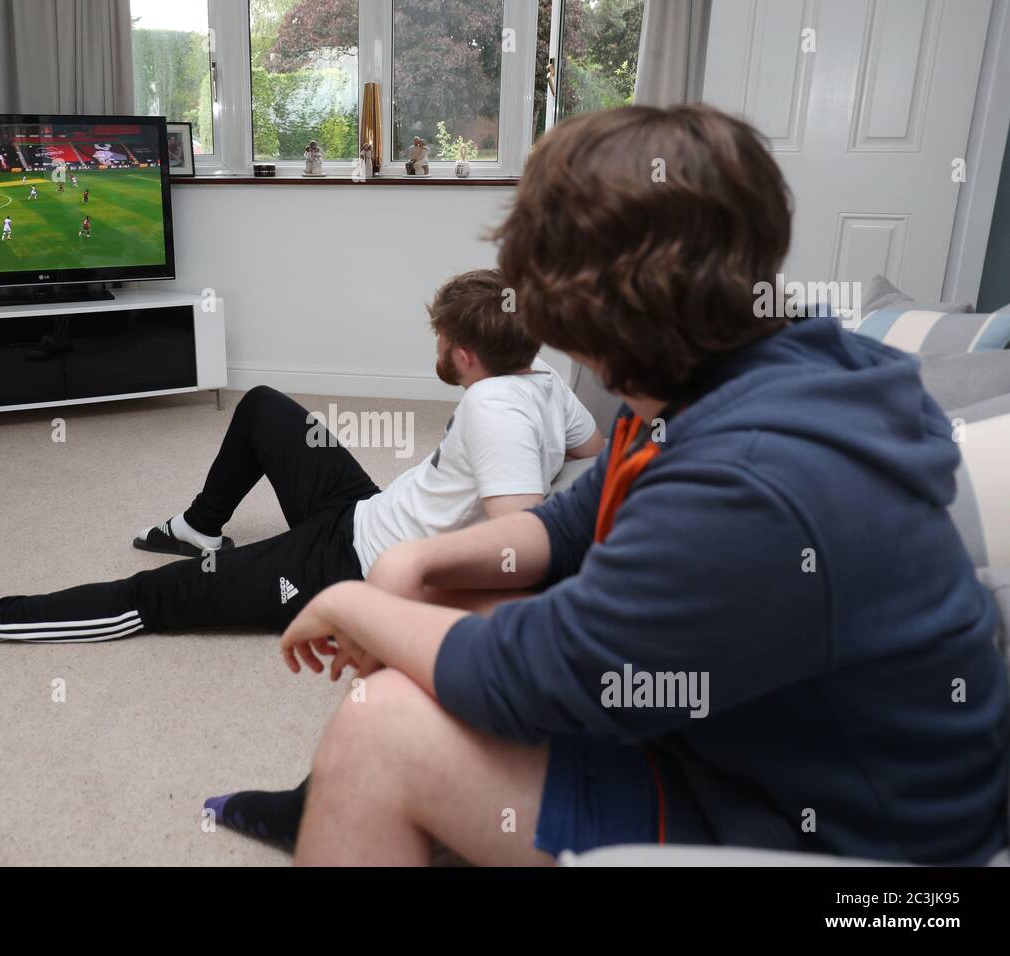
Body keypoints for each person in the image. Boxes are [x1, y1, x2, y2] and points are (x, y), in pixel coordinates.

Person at [266, 105, 1009, 866]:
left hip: (852, 847)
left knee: (376, 732)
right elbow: (564, 530)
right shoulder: (718, 368)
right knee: (431, 610)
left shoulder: (752, 482)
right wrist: (415, 566)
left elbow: (525, 678)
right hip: (746, 752)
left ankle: (367, 800)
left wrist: (348, 597)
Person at [0, 269, 603, 646]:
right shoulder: (546, 382)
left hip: (345, 565)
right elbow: (591, 460)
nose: (435, 348)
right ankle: (199, 523)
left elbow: (519, 547)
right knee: (263, 406)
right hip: (365, 511)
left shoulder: (491, 405)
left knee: (157, 599)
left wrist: (413, 596)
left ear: (465, 355)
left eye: (441, 340)